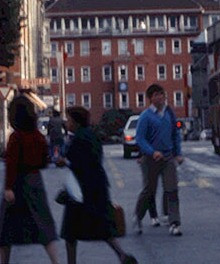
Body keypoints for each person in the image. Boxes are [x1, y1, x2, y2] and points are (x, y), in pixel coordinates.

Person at [56, 106, 136, 264]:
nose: (67, 123)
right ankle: (121, 255)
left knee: (70, 231)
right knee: (102, 228)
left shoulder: (79, 138)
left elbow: (79, 163)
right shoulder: (92, 135)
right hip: (97, 188)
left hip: (81, 191)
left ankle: (71, 262)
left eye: (69, 120)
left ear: (76, 122)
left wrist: (64, 162)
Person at [0, 95, 60, 264]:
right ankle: (55, 261)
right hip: (35, 182)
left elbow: (11, 164)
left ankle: (4, 262)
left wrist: (8, 187)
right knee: (43, 225)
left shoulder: (15, 138)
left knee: (6, 229)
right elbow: (45, 161)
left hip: (18, 183)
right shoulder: (38, 136)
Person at [132, 83, 183, 236]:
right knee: (149, 191)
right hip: (150, 159)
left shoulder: (169, 113)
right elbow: (140, 138)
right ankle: (138, 216)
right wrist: (152, 152)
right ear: (150, 99)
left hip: (167, 157)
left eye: (161, 94)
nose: (159, 97)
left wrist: (178, 153)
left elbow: (175, 134)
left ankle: (175, 223)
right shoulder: (146, 116)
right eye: (155, 95)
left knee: (172, 189)